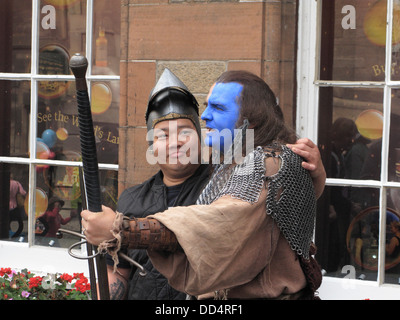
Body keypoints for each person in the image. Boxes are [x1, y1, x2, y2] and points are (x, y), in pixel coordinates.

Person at [83, 70, 325, 300]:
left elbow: (216, 226)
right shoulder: (234, 166)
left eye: (218, 108)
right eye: (162, 135)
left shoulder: (261, 162)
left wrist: (120, 229)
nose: (206, 115)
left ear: (252, 120)